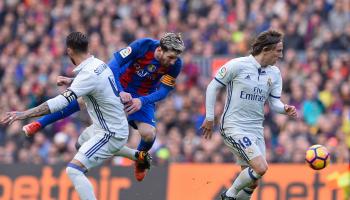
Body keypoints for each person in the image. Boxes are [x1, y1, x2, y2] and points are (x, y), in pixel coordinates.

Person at [0, 32, 151, 200]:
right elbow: (93, 82)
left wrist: (24, 114)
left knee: (73, 170)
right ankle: (137, 155)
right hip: (107, 126)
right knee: (80, 144)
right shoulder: (98, 64)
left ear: (69, 51)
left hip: (110, 133)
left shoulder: (88, 75)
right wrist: (72, 80)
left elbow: (61, 103)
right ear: (87, 47)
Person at [22, 32, 185, 181]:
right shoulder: (143, 45)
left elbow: (164, 91)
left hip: (142, 96)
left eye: (175, 58)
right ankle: (39, 123)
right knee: (81, 100)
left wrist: (141, 101)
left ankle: (140, 160)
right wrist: (120, 91)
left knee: (149, 134)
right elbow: (112, 66)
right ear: (160, 49)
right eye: (170, 57)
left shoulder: (175, 65)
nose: (173, 61)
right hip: (119, 83)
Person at [200, 30, 298, 200]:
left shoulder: (274, 73)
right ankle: (228, 195)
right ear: (266, 49)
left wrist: (284, 108)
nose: (281, 55)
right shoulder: (237, 65)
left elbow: (274, 103)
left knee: (252, 181)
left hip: (256, 130)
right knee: (260, 168)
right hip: (234, 126)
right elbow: (212, 87)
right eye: (278, 51)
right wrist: (210, 118)